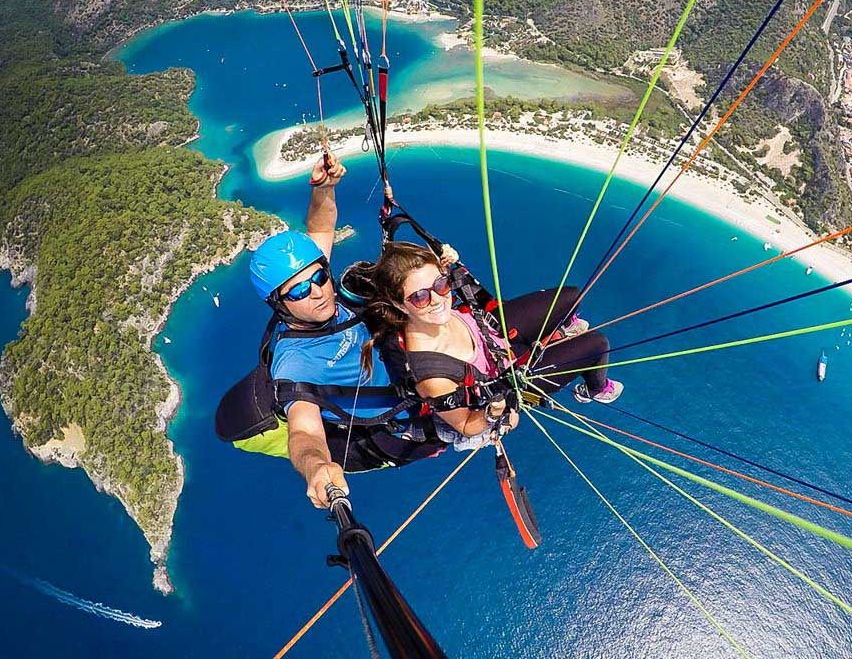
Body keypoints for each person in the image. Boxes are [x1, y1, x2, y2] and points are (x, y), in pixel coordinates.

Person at [246, 155, 446, 509]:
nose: (317, 290)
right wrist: (318, 468)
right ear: (279, 304)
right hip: (403, 421)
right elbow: (304, 431)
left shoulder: (317, 292)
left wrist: (324, 189)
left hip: (408, 366)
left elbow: (321, 229)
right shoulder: (295, 364)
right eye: (297, 291)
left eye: (320, 277)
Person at [359, 241, 623, 445]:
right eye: (419, 297)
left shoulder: (436, 299)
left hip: (490, 330)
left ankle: (560, 328)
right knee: (597, 345)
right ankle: (595, 389)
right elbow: (463, 424)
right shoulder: (430, 374)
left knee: (572, 296)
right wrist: (492, 414)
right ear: (397, 304)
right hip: (508, 379)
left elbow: (429, 275)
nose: (438, 299)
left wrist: (447, 262)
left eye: (441, 285)